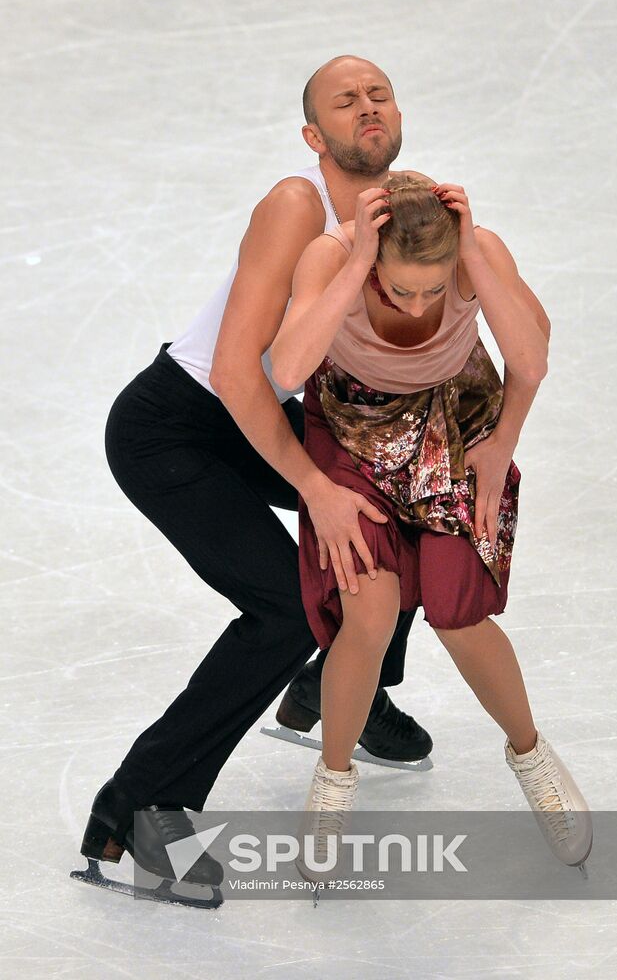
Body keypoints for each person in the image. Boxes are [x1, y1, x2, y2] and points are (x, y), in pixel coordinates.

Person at [76, 56, 443, 894]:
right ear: (316, 136)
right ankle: (137, 809)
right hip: (176, 426)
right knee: (284, 607)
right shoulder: (296, 205)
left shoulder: (403, 208)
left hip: (259, 420)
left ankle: (342, 684)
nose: (368, 108)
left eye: (379, 94)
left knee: (416, 509)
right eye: (345, 102)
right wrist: (315, 487)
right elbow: (243, 375)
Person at [269, 175, 593, 877]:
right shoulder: (336, 257)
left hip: (457, 423)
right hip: (353, 432)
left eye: (431, 289)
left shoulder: (476, 256)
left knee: (457, 613)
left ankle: (532, 755)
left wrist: (503, 442)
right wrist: (356, 264)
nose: (416, 303)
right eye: (398, 288)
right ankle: (332, 781)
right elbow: (289, 366)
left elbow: (531, 359)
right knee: (369, 608)